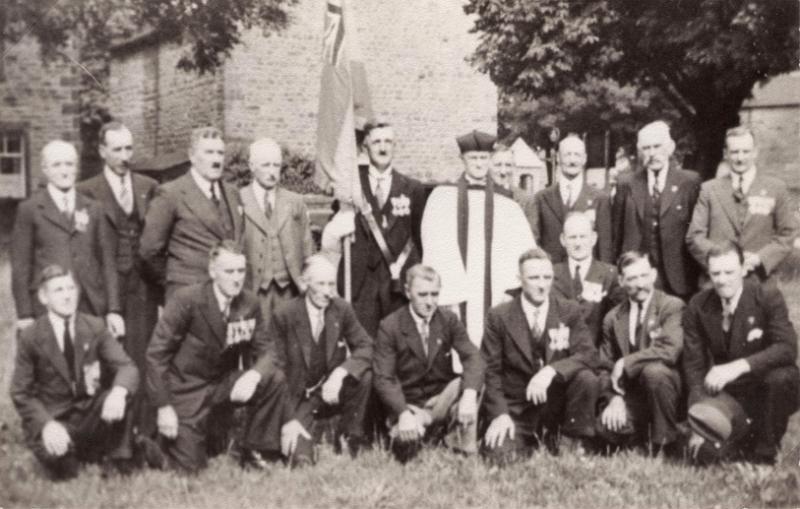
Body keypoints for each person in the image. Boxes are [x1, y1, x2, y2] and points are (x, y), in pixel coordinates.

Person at [145, 241, 288, 472]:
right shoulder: (186, 300)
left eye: (241, 271)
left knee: (274, 378)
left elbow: (269, 351)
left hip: (222, 385)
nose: (236, 278)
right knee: (190, 469)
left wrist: (253, 375)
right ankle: (154, 446)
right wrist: (164, 406)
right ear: (213, 272)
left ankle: (256, 450)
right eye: (229, 271)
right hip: (187, 390)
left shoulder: (249, 303)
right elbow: (156, 355)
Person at [10, 265, 138, 480]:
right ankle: (78, 454)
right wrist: (46, 425)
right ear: (43, 297)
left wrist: (118, 392)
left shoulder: (94, 326)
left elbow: (127, 367)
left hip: (88, 414)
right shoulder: (31, 336)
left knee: (123, 391)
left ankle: (119, 458)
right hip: (55, 418)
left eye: (71, 289)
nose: (67, 296)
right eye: (58, 290)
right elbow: (21, 392)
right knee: (66, 471)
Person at [77, 121, 160, 437]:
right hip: (104, 290)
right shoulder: (87, 191)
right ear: (102, 151)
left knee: (140, 356)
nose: (125, 156)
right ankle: (108, 434)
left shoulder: (148, 186)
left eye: (129, 148)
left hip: (142, 289)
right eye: (117, 149)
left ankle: (141, 432)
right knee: (109, 356)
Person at [683, 241, 799, 465]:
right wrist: (697, 418)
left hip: (766, 387)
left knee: (782, 377)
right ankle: (740, 440)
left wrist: (737, 366)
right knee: (706, 456)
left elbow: (787, 348)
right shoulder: (698, 305)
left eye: (729, 272)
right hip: (729, 394)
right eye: (716, 273)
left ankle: (765, 454)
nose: (722, 280)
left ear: (743, 269)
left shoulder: (767, 295)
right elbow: (694, 368)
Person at [481, 248, 599, 464]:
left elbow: (588, 354)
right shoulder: (499, 316)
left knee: (586, 378)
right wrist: (500, 414)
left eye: (547, 277)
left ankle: (570, 442)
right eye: (534, 278)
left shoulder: (568, 310)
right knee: (499, 457)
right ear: (520, 279)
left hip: (557, 407)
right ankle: (529, 442)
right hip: (518, 408)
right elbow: (491, 372)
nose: (542, 284)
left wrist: (551, 370)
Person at [421, 130, 536, 346]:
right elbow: (433, 246)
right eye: (473, 158)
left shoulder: (507, 205)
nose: (479, 163)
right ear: (462, 159)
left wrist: (510, 291)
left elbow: (522, 250)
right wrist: (444, 290)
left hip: (495, 291)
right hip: (455, 292)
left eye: (483, 158)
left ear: (490, 160)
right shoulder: (442, 198)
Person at [321, 120, 427, 338]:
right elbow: (337, 231)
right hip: (361, 281)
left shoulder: (412, 188)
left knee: (399, 344)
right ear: (365, 147)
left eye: (388, 141)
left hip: (398, 282)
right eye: (377, 141)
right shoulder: (350, 186)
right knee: (363, 344)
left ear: (395, 146)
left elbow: (418, 235)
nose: (383, 147)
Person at [373, 264, 484, 463]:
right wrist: (403, 413)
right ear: (407, 292)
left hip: (441, 399)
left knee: (471, 383)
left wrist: (468, 396)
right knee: (406, 447)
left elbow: (473, 357)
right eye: (422, 295)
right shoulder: (390, 326)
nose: (430, 302)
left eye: (435, 294)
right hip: (409, 403)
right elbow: (384, 378)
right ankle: (426, 427)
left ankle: (465, 450)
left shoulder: (448, 319)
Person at [11, 140, 123, 337]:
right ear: (45, 169)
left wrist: (113, 309)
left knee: (91, 365)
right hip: (48, 306)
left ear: (77, 167)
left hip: (90, 304)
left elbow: (107, 262)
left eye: (69, 164)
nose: (64, 171)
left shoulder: (93, 208)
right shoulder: (30, 210)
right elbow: (21, 267)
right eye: (57, 165)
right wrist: (25, 313)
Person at [273, 255, 374, 467]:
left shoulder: (341, 309)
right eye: (321, 284)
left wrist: (340, 374)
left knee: (364, 376)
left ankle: (349, 436)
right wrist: (287, 416)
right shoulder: (285, 313)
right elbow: (277, 371)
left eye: (331, 284)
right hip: (297, 397)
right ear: (304, 282)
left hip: (329, 392)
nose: (327, 291)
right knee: (301, 460)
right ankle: (305, 439)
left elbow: (366, 346)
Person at [686, 126, 800, 286]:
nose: (740, 158)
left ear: (755, 152)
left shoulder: (776, 188)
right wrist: (722, 261)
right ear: (725, 153)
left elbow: (788, 233)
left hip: (760, 280)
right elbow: (695, 236)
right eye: (734, 152)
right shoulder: (709, 189)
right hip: (718, 282)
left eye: (746, 151)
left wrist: (760, 258)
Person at [139, 126, 244, 300]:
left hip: (227, 297)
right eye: (209, 152)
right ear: (192, 156)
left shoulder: (233, 193)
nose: (216, 160)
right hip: (188, 296)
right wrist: (176, 282)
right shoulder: (171, 193)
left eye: (220, 153)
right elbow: (149, 252)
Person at [596, 251, 685, 454]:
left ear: (653, 275)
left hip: (665, 391)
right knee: (605, 427)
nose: (640, 283)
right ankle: (639, 436)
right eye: (632, 278)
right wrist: (613, 399)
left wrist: (625, 363)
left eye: (644, 276)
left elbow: (670, 350)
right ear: (621, 280)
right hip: (631, 394)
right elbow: (604, 366)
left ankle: (664, 443)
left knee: (653, 372)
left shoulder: (671, 306)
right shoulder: (613, 318)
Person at [613, 121, 701, 300]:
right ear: (639, 151)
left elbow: (696, 231)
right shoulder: (626, 184)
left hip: (678, 279)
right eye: (646, 148)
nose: (652, 154)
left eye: (657, 146)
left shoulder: (690, 182)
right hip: (637, 277)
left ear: (670, 148)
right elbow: (616, 233)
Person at [240, 137, 314, 327]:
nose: (272, 172)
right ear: (252, 166)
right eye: (266, 165)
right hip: (253, 289)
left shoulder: (294, 201)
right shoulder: (239, 200)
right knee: (256, 345)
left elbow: (307, 247)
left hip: (289, 289)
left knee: (289, 344)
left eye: (276, 165)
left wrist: (308, 281)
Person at [530, 135, 614, 264]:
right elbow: (535, 243)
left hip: (588, 278)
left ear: (584, 158)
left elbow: (605, 248)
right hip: (552, 276)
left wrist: (599, 280)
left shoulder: (600, 199)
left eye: (577, 155)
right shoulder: (542, 198)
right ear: (558, 158)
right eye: (567, 155)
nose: (572, 160)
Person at [551, 212, 622, 345]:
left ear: (594, 238)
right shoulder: (550, 274)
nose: (578, 243)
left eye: (583, 237)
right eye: (572, 237)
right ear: (562, 240)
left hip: (597, 357)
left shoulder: (610, 275)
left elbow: (617, 325)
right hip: (559, 357)